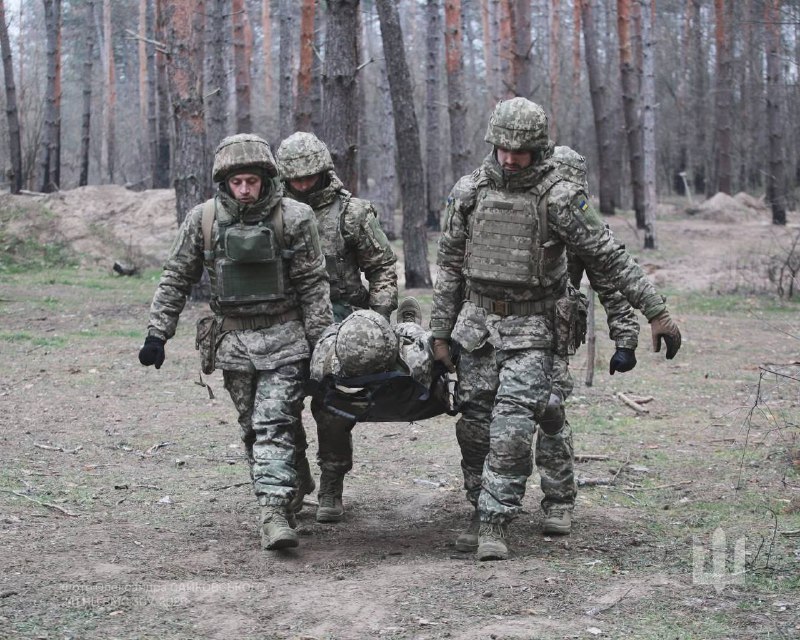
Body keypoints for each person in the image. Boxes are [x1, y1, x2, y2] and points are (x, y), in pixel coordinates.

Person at [430, 98, 682, 561]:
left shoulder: (562, 197)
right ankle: (478, 507)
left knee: (512, 429)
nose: (510, 159)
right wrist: (440, 333)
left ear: (539, 149)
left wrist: (655, 312)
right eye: (504, 149)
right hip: (477, 329)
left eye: (521, 151)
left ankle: (495, 521)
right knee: (475, 429)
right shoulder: (469, 192)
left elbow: (609, 258)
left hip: (533, 330)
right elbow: (448, 267)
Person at [137, 133, 333, 552]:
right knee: (252, 429)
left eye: (252, 181)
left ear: (266, 179)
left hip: (286, 341)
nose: (244, 190)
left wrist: (323, 343)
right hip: (232, 345)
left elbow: (314, 284)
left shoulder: (295, 217)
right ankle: (293, 479)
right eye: (237, 182)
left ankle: (273, 514)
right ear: (225, 182)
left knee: (273, 422)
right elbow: (176, 276)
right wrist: (158, 333)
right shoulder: (203, 219)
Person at [276, 131, 398, 523]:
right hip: (286, 323)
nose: (302, 185)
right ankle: (296, 476)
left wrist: (377, 319)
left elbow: (382, 268)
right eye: (294, 179)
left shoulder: (352, 214)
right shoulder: (273, 214)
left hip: (342, 324)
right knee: (280, 406)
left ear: (324, 172)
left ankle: (332, 480)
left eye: (309, 178)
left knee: (332, 409)